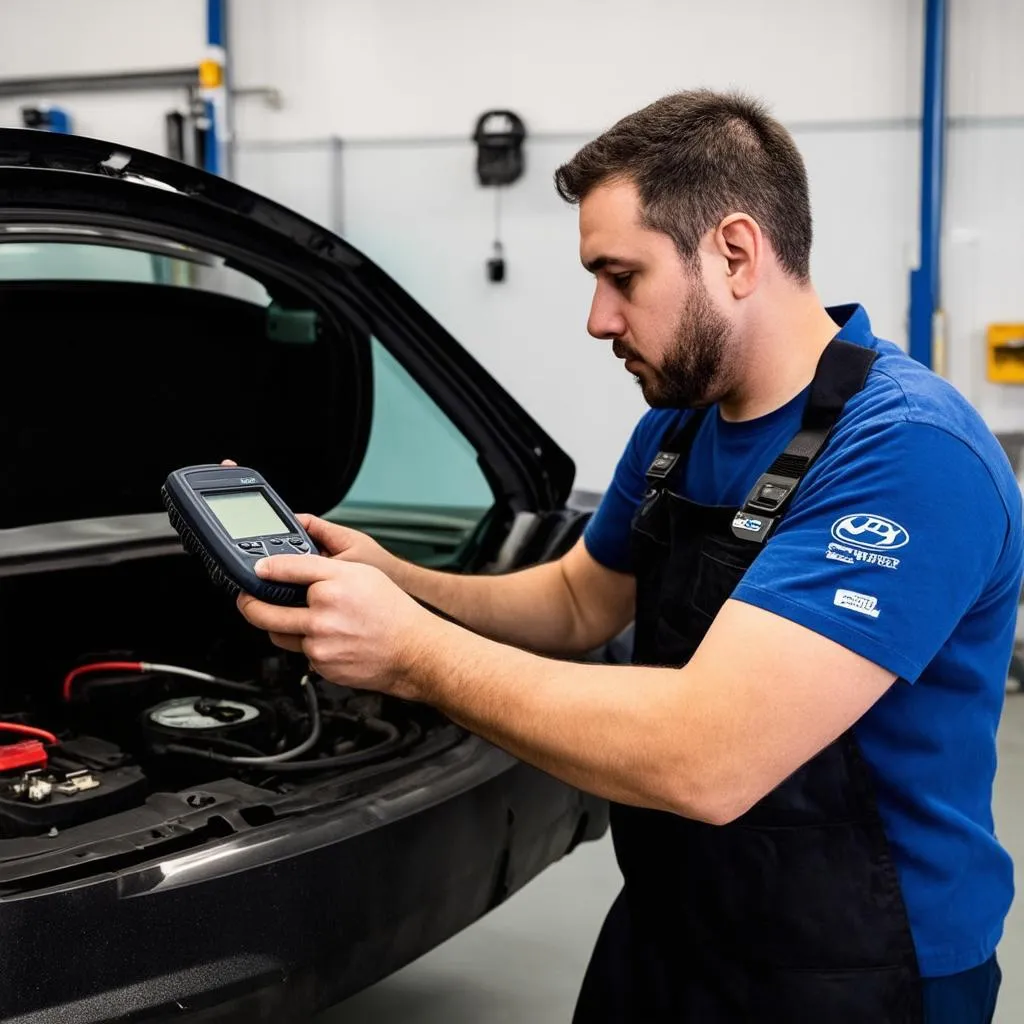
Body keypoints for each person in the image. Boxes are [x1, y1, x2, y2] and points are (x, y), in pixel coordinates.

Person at [234, 90, 1018, 1023]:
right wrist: (397, 581)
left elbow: (709, 757)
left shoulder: (908, 453)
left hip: (859, 970)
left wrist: (411, 652)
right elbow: (576, 603)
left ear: (734, 252)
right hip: (673, 920)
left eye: (622, 277)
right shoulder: (683, 426)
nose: (598, 320)